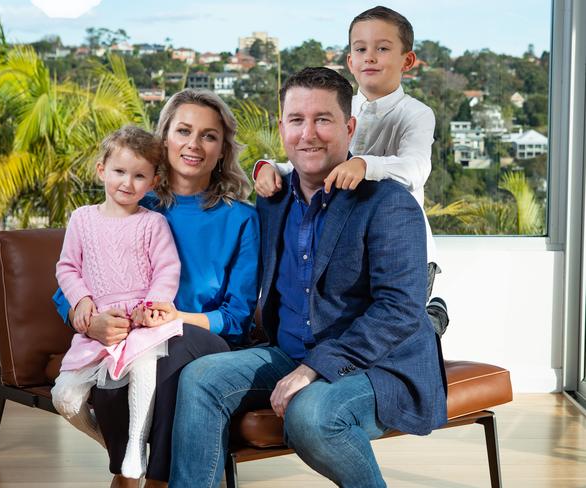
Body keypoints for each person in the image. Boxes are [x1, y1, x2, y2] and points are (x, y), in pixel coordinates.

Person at [169, 67, 447, 488]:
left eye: (323, 120)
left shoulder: (390, 203)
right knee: (202, 378)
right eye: (296, 120)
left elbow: (398, 311)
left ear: (349, 127)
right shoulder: (273, 198)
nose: (308, 134)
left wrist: (315, 368)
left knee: (311, 414)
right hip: (290, 350)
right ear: (281, 128)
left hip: (378, 366)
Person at [52, 90, 260, 488]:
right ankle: (128, 469)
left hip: (207, 340)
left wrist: (176, 317)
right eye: (184, 130)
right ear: (164, 138)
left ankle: (156, 481)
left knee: (166, 351)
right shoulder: (131, 199)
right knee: (121, 374)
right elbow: (73, 278)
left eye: (209, 136)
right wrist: (89, 320)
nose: (194, 144)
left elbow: (236, 317)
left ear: (222, 150)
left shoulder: (240, 220)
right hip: (129, 336)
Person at [253, 5, 448, 335]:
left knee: (400, 328)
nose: (369, 57)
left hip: (401, 245)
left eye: (382, 48)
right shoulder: (341, 106)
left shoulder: (416, 114)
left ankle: (431, 320)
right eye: (361, 49)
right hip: (349, 236)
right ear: (350, 61)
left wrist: (364, 163)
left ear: (407, 61)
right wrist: (268, 167)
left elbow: (416, 168)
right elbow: (310, 155)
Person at [51, 126, 184, 479]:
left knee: (143, 366)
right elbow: (67, 267)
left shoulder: (153, 223)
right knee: (64, 396)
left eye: (139, 176)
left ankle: (136, 446)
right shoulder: (82, 219)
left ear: (153, 182)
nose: (127, 183)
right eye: (119, 172)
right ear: (101, 170)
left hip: (139, 324)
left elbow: (167, 269)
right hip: (97, 325)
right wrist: (80, 300)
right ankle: (119, 445)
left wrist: (154, 306)